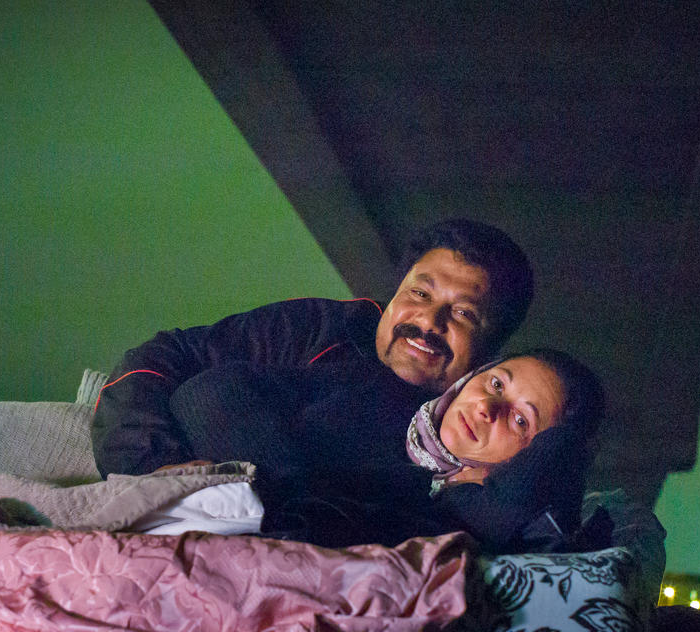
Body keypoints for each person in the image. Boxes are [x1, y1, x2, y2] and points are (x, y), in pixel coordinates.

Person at [92, 218, 534, 478]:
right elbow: (165, 356)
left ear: (492, 352)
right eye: (420, 294)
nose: (428, 322)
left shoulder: (481, 435)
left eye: (463, 314)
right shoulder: (322, 326)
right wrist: (160, 469)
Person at [168, 349, 605, 553]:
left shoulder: (477, 516)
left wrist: (565, 444)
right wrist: (287, 493)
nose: (488, 408)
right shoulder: (371, 391)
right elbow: (208, 392)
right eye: (495, 383)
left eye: (520, 420)